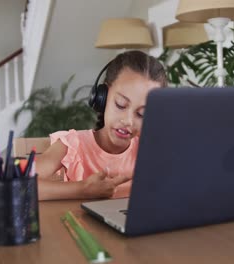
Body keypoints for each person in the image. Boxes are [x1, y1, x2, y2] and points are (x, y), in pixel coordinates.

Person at [36, 50, 168, 200]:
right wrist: (82, 189)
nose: (128, 121)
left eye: (142, 114)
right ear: (102, 97)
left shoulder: (151, 150)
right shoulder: (72, 144)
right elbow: (19, 185)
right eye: (120, 105)